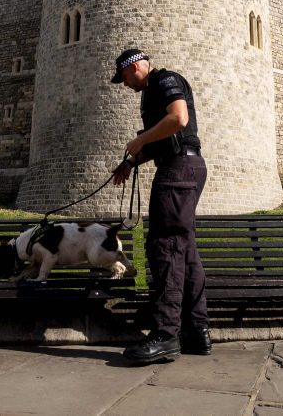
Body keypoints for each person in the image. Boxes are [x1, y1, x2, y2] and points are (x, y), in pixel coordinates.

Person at [110, 48, 210, 364]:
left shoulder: (165, 80)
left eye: (124, 77)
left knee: (164, 246)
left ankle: (166, 335)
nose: (124, 84)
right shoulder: (151, 93)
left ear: (136, 67)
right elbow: (165, 138)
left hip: (178, 170)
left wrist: (139, 142)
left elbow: (179, 119)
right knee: (185, 250)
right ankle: (196, 331)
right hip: (185, 166)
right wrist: (131, 161)